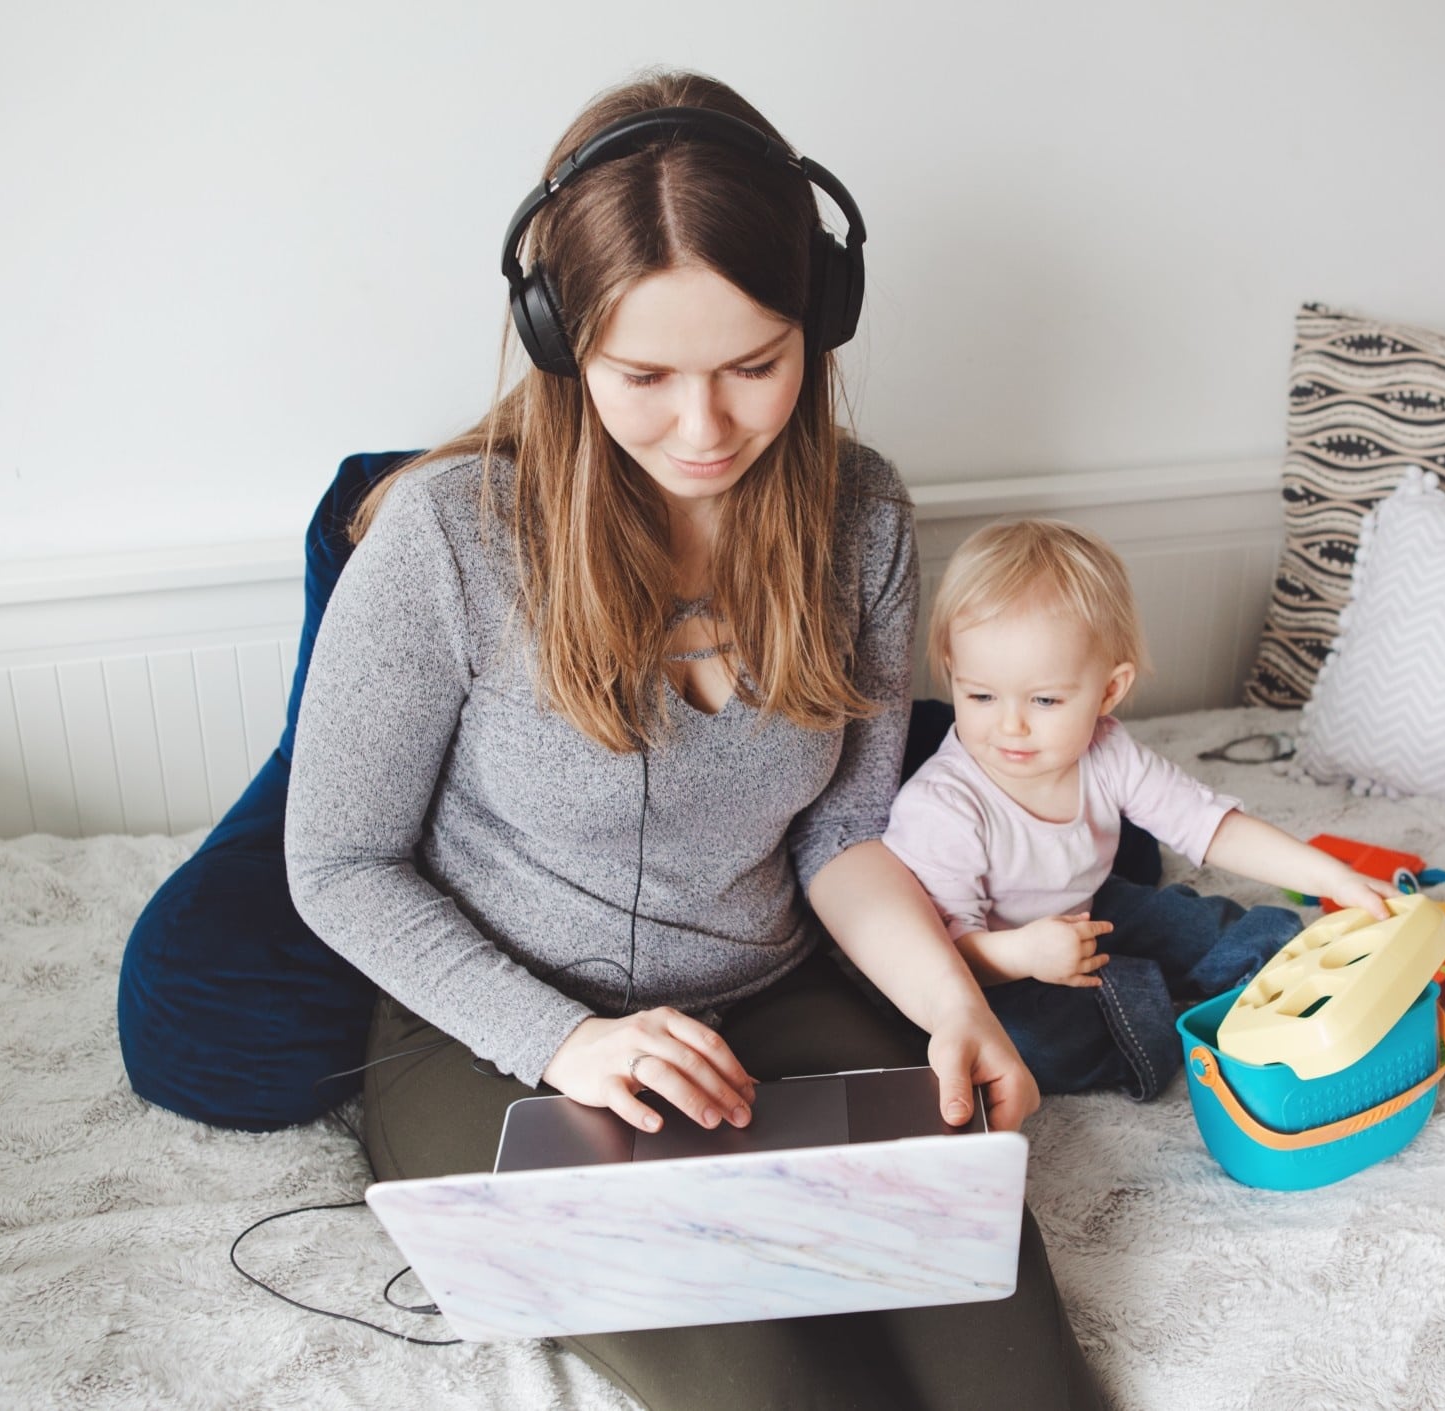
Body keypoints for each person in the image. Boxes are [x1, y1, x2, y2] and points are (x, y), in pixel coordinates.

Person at [281, 72, 1100, 1410]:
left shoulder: (865, 519)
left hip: (774, 992)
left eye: (754, 366)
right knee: (780, 1387)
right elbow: (339, 861)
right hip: (501, 1031)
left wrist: (954, 1005)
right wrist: (567, 1041)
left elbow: (844, 829)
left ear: (816, 329)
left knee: (1014, 1377)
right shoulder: (442, 537)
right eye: (645, 376)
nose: (705, 428)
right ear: (560, 340)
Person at [882, 519, 1395, 1102]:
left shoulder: (1107, 751)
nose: (1010, 725)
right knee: (1036, 1045)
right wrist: (1022, 954)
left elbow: (1209, 825)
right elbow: (938, 958)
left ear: (1108, 691)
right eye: (980, 696)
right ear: (951, 671)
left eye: (1045, 700)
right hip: (995, 964)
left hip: (1092, 905)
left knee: (1212, 926)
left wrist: (1330, 875)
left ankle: (1289, 982)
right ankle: (1151, 1008)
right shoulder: (943, 808)